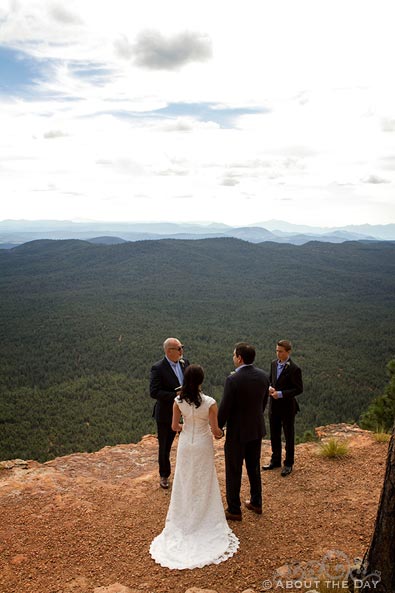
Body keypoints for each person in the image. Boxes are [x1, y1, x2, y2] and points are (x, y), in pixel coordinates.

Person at [150, 364, 239, 570]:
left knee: (185, 480)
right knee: (204, 480)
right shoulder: (209, 403)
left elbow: (174, 427)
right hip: (202, 444)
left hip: (185, 446)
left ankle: (184, 518)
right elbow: (216, 430)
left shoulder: (177, 401)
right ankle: (204, 516)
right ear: (201, 380)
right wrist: (221, 434)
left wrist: (185, 427)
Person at [218, 342, 269, 521]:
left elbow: (225, 407)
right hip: (256, 429)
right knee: (253, 467)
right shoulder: (264, 376)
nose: (233, 358)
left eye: (234, 355)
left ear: (239, 358)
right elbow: (263, 403)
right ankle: (256, 502)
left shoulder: (233, 380)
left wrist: (218, 427)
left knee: (233, 470)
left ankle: (234, 509)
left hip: (237, 433)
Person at [150, 337, 189, 489]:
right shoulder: (158, 368)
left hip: (185, 413)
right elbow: (154, 392)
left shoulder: (185, 363)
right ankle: (164, 475)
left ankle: (185, 473)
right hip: (166, 414)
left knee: (187, 444)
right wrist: (176, 395)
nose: (182, 351)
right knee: (165, 446)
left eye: (182, 347)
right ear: (168, 351)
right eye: (179, 348)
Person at [263, 339, 303, 477]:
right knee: (274, 434)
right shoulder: (273, 364)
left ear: (288, 352)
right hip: (273, 406)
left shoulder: (294, 368)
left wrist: (280, 394)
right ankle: (275, 460)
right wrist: (269, 388)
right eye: (277, 351)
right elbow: (270, 379)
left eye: (280, 351)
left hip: (287, 407)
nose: (278, 354)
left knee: (288, 435)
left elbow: (298, 389)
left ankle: (288, 463)